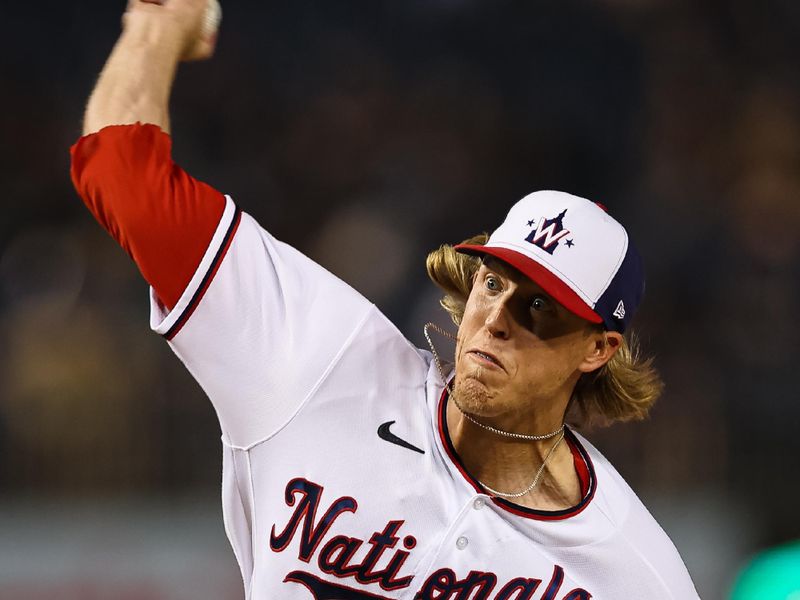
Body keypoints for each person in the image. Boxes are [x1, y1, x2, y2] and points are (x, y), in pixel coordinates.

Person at [70, 1, 699, 598]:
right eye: (493, 282)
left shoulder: (630, 574)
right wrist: (158, 26)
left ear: (598, 348)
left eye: (541, 307)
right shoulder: (321, 363)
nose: (497, 319)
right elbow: (121, 174)